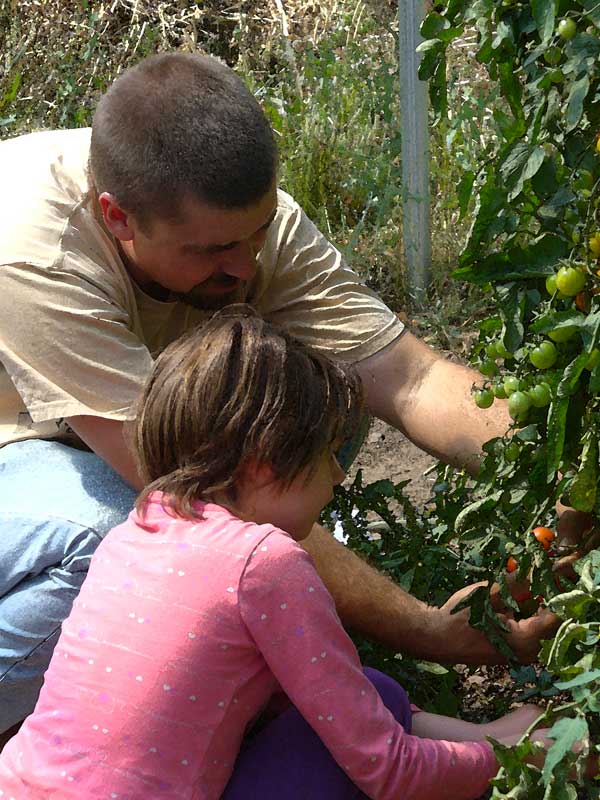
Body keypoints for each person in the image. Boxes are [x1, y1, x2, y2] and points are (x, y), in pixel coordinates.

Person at [0, 51, 557, 737]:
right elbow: (200, 494)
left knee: (313, 402)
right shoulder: (34, 252)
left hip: (112, 436)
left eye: (256, 234)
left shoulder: (239, 226)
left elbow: (408, 379)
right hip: (18, 445)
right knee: (122, 530)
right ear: (118, 219)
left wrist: (559, 473)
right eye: (210, 252)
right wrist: (426, 628)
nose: (244, 266)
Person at [0, 307, 550, 799]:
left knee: (366, 691)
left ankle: (489, 734)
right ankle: (510, 744)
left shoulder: (140, 526)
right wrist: (519, 762)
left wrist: (478, 738)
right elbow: (388, 772)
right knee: (348, 752)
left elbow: (298, 700)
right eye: (327, 455)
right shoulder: (264, 561)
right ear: (265, 463)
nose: (338, 474)